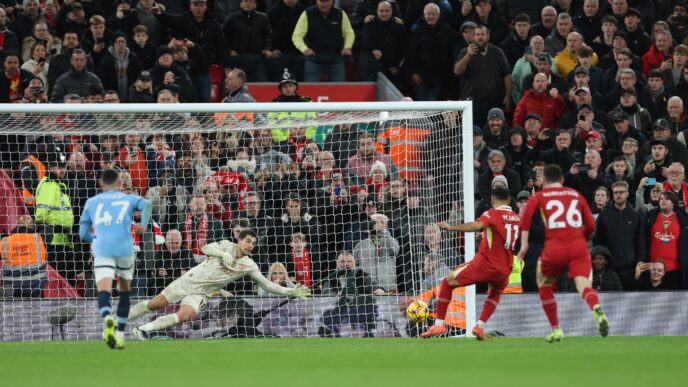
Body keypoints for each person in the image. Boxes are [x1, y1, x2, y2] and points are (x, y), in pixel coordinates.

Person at [128, 229, 311, 338]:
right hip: (189, 281)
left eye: (253, 244)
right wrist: (223, 255)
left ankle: (143, 330)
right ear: (239, 240)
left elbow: (267, 284)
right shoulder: (225, 245)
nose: (250, 245)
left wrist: (291, 291)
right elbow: (205, 248)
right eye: (247, 241)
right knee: (154, 305)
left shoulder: (249, 265)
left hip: (202, 294)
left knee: (184, 315)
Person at [518, 164, 609, 342]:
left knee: (544, 283)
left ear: (543, 181)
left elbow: (526, 218)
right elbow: (591, 226)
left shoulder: (539, 196)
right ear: (562, 180)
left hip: (554, 247)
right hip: (578, 247)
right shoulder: (576, 195)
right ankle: (597, 308)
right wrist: (579, 238)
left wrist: (523, 245)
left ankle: (556, 328)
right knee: (584, 286)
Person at [421, 187, 519, 340]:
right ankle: (479, 326)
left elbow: (477, 225)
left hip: (486, 264)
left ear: (493, 200)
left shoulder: (491, 214)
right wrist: (485, 236)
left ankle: (439, 324)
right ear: (510, 201)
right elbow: (502, 236)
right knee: (494, 294)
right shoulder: (516, 217)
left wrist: (451, 227)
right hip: (505, 267)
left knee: (447, 283)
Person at [79, 169, 153, 350]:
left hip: (103, 249)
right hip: (125, 249)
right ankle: (119, 335)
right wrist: (142, 226)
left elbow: (82, 234)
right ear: (119, 184)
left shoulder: (92, 202)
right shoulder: (128, 199)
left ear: (101, 183)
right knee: (124, 291)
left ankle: (107, 318)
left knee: (104, 290)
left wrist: (95, 240)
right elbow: (148, 205)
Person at [593, 181, 646, 289]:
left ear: (627, 193)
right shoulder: (604, 215)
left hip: (630, 269)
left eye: (621, 192)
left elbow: (641, 242)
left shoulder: (635, 216)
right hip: (608, 269)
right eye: (616, 192)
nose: (618, 194)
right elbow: (597, 241)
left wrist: (639, 264)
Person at [319, 251, 381, 338]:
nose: (346, 264)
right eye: (342, 262)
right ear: (337, 264)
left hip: (361, 314)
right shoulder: (331, 279)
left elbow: (376, 287)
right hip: (340, 315)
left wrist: (379, 289)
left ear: (354, 263)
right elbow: (326, 298)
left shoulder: (362, 275)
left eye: (349, 261)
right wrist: (337, 297)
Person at [292, 0, 355, 82]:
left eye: (326, 1)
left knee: (339, 91)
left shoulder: (340, 14)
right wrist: (304, 49)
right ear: (316, 1)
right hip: (313, 60)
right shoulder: (307, 13)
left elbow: (349, 33)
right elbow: (297, 35)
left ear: (332, 2)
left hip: (336, 59)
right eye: (321, 1)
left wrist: (347, 47)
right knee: (311, 91)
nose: (323, 4)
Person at [643, 191, 688, 290]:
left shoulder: (683, 219)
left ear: (674, 203)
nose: (663, 201)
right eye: (661, 199)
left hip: (674, 269)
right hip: (654, 269)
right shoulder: (651, 216)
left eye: (667, 199)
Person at [0, 215, 47, 298]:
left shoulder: (4, 241)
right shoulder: (39, 238)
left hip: (11, 288)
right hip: (35, 286)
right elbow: (47, 229)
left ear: (17, 225)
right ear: (33, 227)